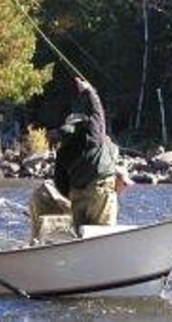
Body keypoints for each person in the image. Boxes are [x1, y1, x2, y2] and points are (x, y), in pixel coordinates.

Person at [53, 77, 133, 232]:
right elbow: (97, 111)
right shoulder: (92, 133)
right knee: (103, 235)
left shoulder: (63, 151)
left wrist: (73, 193)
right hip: (99, 192)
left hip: (76, 195)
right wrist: (89, 90)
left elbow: (59, 182)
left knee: (81, 236)